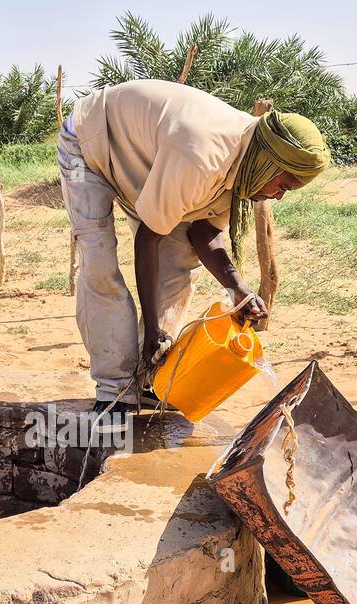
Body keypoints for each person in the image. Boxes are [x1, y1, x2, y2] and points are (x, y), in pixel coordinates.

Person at [57, 79, 331, 428]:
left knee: (182, 261)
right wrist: (154, 326)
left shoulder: (242, 167)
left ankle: (145, 376)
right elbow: (148, 239)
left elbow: (204, 235)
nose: (279, 196)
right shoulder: (203, 155)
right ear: (267, 162)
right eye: (283, 184)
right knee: (99, 263)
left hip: (143, 165)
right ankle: (114, 390)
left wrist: (238, 289)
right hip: (89, 144)